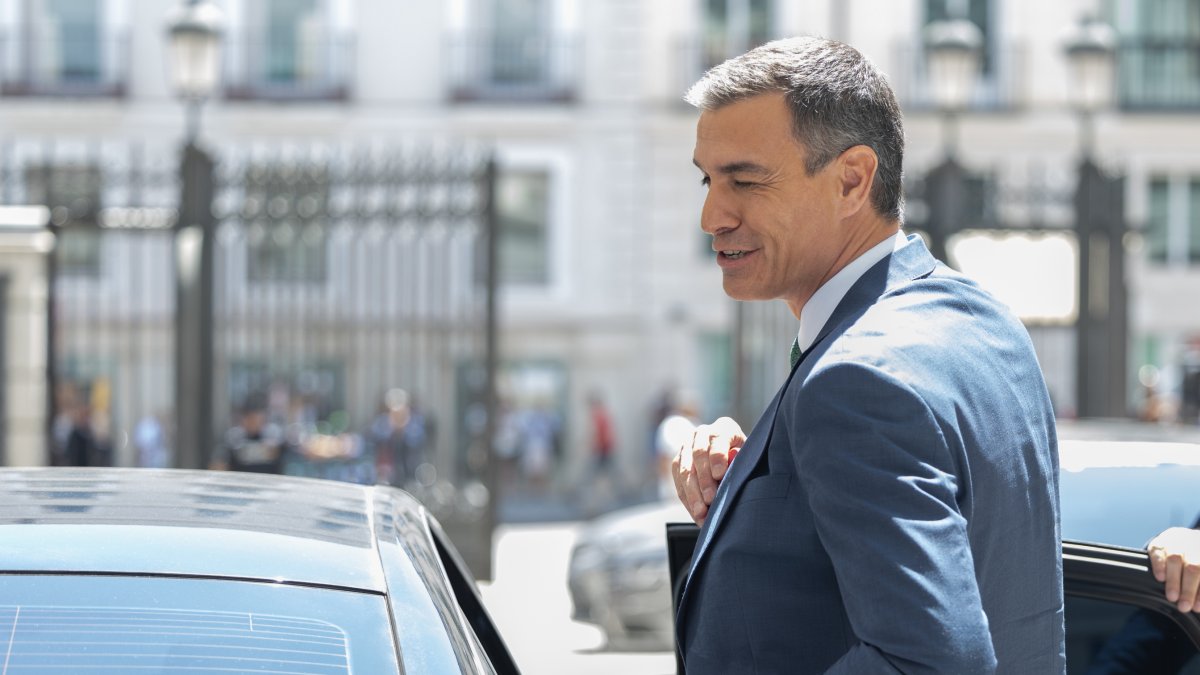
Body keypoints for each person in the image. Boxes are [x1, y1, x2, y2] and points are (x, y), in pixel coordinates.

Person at [670, 37, 1064, 673]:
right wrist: (747, 472)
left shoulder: (855, 377)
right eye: (708, 180)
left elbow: (930, 662)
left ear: (852, 179)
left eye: (744, 180)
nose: (712, 215)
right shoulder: (984, 322)